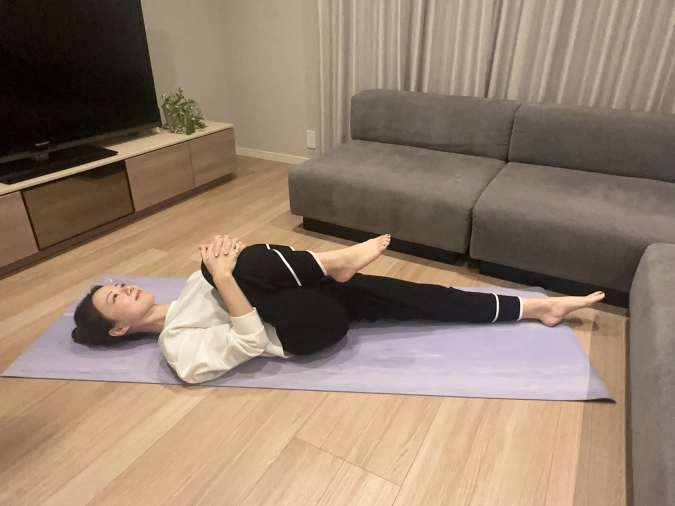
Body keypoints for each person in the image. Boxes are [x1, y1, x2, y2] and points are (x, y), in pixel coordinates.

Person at [72, 234, 606, 384]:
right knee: (227, 269)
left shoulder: (195, 282)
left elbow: (256, 270)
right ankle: (334, 263)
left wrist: (224, 266)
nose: (126, 288)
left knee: (420, 298)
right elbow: (250, 341)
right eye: (116, 297)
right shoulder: (177, 351)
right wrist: (227, 277)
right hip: (306, 330)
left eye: (120, 285)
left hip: (314, 294)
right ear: (118, 330)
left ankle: (539, 309)